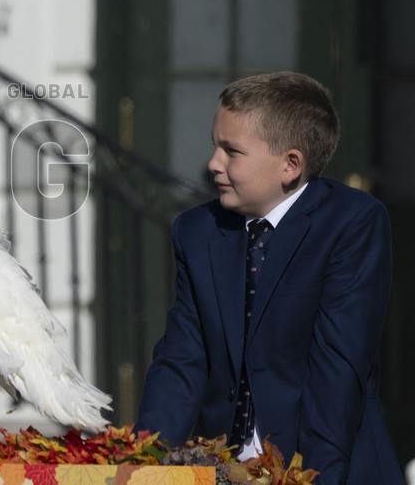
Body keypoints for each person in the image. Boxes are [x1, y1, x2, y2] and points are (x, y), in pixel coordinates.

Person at [137, 72, 402, 484]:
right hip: (221, 469)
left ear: (290, 164)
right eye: (214, 146)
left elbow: (337, 371)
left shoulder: (351, 224)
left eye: (232, 151)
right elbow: (182, 359)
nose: (213, 164)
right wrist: (144, 463)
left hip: (326, 467)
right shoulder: (197, 231)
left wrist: (312, 479)